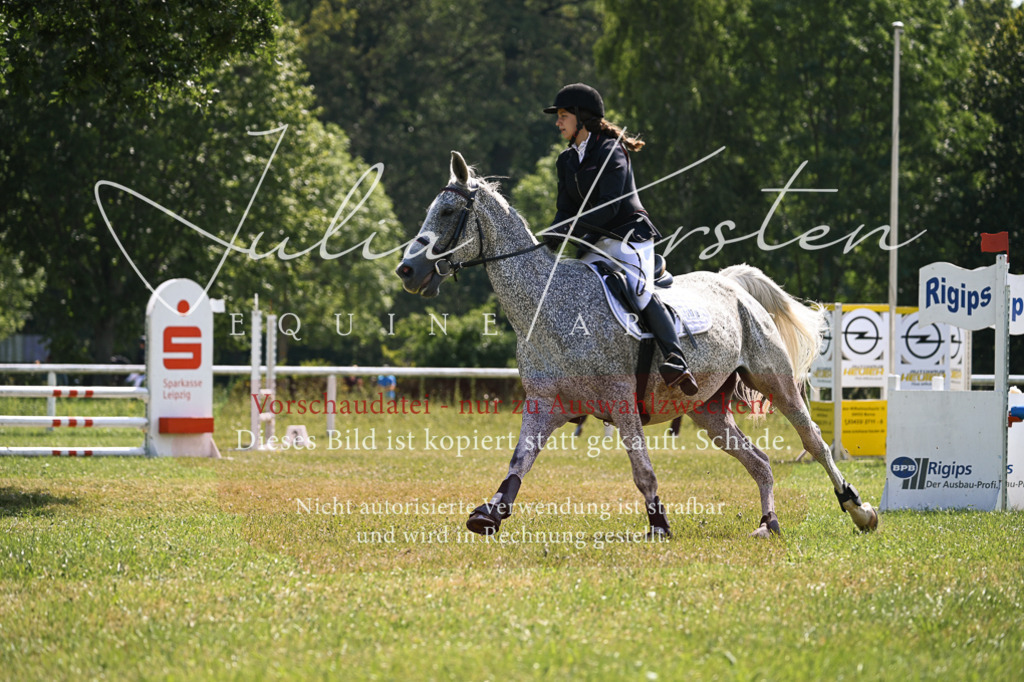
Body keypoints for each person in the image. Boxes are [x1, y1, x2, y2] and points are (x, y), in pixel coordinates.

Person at [542, 83, 698, 396]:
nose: (557, 123)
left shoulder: (611, 150)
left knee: (638, 290)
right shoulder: (566, 161)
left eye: (562, 116)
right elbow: (564, 211)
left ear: (581, 118)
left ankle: (676, 359)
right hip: (594, 243)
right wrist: (546, 242)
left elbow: (610, 205)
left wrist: (568, 229)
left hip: (629, 236)